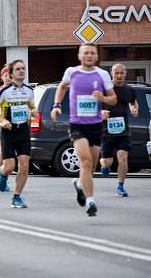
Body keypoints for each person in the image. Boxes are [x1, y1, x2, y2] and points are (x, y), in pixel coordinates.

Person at [51, 44, 116, 217]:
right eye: (86, 52)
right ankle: (90, 201)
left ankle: (80, 184)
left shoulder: (102, 75)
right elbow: (61, 87)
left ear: (96, 56)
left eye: (92, 53)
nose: (89, 55)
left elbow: (113, 99)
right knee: (86, 162)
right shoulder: (71, 72)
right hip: (77, 124)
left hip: (95, 125)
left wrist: (103, 98)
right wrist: (56, 106)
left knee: (91, 166)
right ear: (79, 55)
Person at [0, 60, 36, 208]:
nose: (21, 71)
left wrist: (33, 111)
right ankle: (2, 174)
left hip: (23, 131)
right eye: (18, 69)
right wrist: (1, 120)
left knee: (24, 165)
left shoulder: (29, 90)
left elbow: (31, 107)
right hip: (8, 132)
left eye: (23, 68)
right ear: (11, 74)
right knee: (9, 166)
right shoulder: (4, 91)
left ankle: (17, 196)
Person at [99, 63, 138, 197]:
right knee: (106, 161)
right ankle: (104, 166)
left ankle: (120, 187)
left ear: (125, 73)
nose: (119, 76)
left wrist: (134, 108)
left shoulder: (129, 90)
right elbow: (95, 104)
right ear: (111, 73)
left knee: (123, 157)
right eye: (116, 73)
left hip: (123, 130)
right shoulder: (104, 89)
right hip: (106, 130)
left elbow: (133, 101)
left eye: (122, 73)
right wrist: (101, 112)